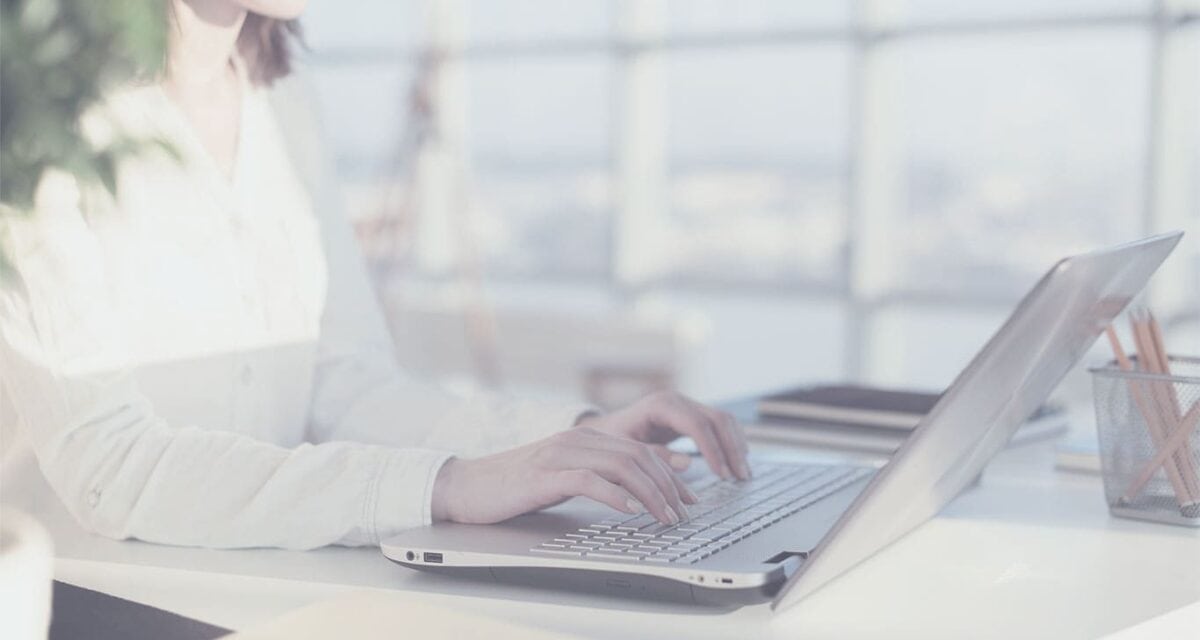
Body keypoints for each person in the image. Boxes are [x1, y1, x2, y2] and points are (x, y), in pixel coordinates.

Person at [0, 0, 750, 550]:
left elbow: (346, 385)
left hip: (267, 577)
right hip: (92, 601)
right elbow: (110, 468)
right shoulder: (34, 111)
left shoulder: (280, 95)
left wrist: (570, 440)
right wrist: (446, 484)